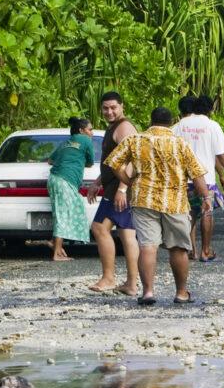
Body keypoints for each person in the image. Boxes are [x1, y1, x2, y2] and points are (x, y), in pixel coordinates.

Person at [105, 106, 210, 305]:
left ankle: (148, 293)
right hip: (175, 202)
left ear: (151, 121)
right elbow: (197, 175)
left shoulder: (135, 140)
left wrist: (127, 181)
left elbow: (114, 163)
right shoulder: (181, 143)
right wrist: (205, 198)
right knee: (178, 248)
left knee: (147, 246)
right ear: (171, 122)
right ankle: (181, 293)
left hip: (144, 200)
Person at [173, 94, 224, 261]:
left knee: (189, 214)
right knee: (206, 212)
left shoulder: (179, 126)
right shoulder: (212, 125)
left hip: (184, 180)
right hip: (206, 179)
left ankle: (191, 251)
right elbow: (219, 154)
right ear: (210, 110)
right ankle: (206, 251)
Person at [89, 92, 139, 294]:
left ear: (122, 106)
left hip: (120, 189)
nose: (109, 112)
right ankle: (131, 284)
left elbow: (133, 159)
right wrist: (97, 182)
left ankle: (109, 278)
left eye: (113, 108)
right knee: (126, 233)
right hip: (115, 186)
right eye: (105, 108)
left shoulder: (124, 127)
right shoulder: (114, 127)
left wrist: (122, 189)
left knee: (100, 228)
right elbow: (113, 162)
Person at [46, 117, 95, 262]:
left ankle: (54, 242)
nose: (91, 133)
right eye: (90, 129)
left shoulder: (65, 143)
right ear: (81, 130)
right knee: (63, 214)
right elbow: (91, 162)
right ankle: (57, 253)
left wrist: (69, 159)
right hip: (65, 180)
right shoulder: (85, 140)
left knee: (67, 210)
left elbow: (50, 160)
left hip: (54, 178)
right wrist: (77, 161)